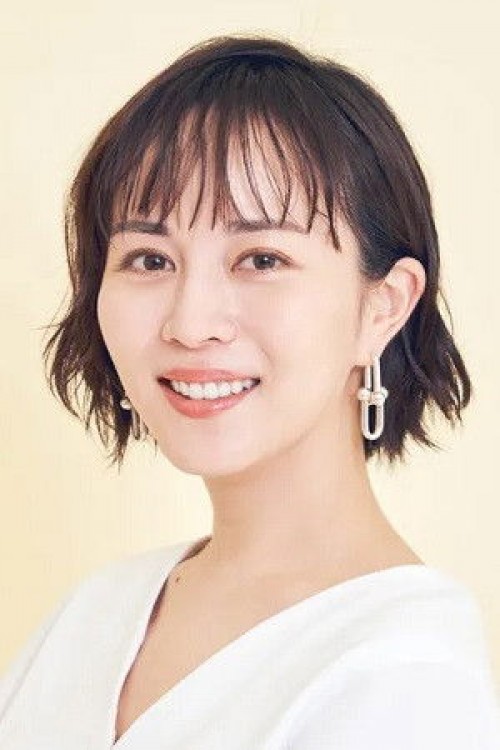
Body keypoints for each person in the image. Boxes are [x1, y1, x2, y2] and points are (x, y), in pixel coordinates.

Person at [1, 33, 498, 749]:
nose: (190, 323)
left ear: (383, 307)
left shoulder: (408, 675)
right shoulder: (94, 613)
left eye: (261, 258)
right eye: (149, 259)